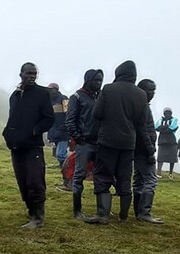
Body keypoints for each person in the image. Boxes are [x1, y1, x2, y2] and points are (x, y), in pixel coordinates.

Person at [82, 60, 151, 225]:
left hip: (107, 141)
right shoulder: (141, 95)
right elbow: (142, 125)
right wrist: (149, 149)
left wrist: (90, 137)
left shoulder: (108, 89)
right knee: (124, 179)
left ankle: (102, 215)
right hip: (128, 143)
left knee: (103, 176)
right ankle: (123, 217)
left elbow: (97, 113)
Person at [2, 62, 55, 229]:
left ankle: (38, 217)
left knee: (35, 179)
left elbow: (49, 118)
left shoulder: (42, 94)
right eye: (29, 73)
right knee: (22, 180)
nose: (32, 76)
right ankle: (31, 211)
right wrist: (8, 133)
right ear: (21, 74)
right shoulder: (15, 96)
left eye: (34, 74)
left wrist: (35, 130)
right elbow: (13, 118)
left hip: (33, 146)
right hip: (16, 146)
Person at [65, 69, 103, 219]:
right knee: (79, 175)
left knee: (100, 176)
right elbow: (70, 120)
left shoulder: (101, 97)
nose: (98, 83)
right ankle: (77, 210)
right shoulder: (76, 97)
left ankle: (102, 210)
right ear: (88, 80)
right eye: (96, 80)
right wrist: (78, 138)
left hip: (100, 143)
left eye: (100, 80)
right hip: (84, 143)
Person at [132, 79, 162, 224]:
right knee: (150, 180)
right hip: (144, 150)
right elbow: (143, 131)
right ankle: (144, 212)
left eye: (154, 90)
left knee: (138, 180)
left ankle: (138, 212)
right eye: (150, 90)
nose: (153, 93)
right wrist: (151, 151)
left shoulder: (139, 105)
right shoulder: (143, 107)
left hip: (138, 149)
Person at [46, 83, 71, 191]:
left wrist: (66, 126)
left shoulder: (63, 99)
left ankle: (70, 179)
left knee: (61, 155)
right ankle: (67, 180)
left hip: (63, 132)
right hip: (55, 132)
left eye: (51, 90)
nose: (49, 91)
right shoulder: (49, 101)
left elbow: (70, 113)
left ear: (56, 90)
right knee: (59, 156)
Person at [156, 108, 179, 178]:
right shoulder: (160, 120)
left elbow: (172, 128)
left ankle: (170, 173)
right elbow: (156, 127)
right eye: (166, 113)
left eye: (169, 113)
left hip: (171, 141)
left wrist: (163, 128)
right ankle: (158, 172)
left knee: (172, 158)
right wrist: (166, 128)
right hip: (162, 141)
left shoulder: (174, 119)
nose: (167, 114)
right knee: (160, 157)